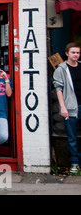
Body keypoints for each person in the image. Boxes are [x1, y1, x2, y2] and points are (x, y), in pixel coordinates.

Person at [53, 42, 81, 174]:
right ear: (67, 53)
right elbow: (58, 89)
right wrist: (62, 107)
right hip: (70, 107)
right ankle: (75, 163)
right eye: (73, 52)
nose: (76, 55)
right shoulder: (61, 69)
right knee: (72, 137)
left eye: (78, 53)